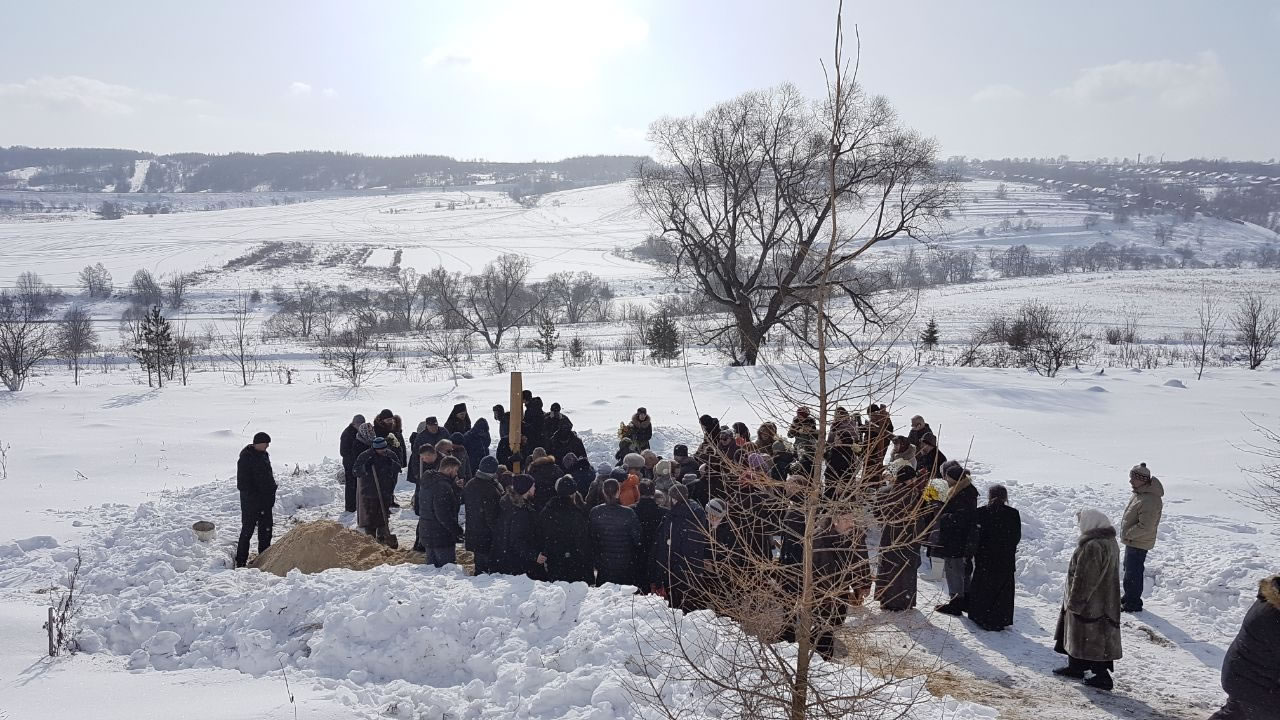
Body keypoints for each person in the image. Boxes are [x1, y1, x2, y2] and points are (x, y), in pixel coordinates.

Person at [1053, 508, 1122, 691]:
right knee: (1091, 638)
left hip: (1091, 604)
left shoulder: (1093, 546)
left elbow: (1085, 578)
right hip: (1104, 600)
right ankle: (1076, 666)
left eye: (1081, 521)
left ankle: (1101, 677)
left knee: (1092, 639)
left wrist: (1075, 603)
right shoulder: (1110, 542)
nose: (1079, 525)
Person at [1211, 575, 1280, 719]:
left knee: (1236, 713)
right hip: (1253, 684)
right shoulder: (1273, 616)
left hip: (1244, 677)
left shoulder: (1273, 598)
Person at [966, 485, 1021, 631]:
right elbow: (1016, 537)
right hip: (1006, 559)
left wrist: (972, 553)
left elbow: (975, 536)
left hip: (985, 557)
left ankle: (980, 616)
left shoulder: (981, 512)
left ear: (989, 496)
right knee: (1002, 591)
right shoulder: (1013, 513)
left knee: (983, 588)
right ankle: (999, 619)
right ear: (1005, 497)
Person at [650, 483, 708, 611]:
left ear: (673, 499)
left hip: (675, 568)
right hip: (695, 567)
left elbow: (665, 548)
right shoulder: (698, 514)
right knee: (693, 604)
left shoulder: (672, 518)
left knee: (676, 607)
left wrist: (659, 575)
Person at [876, 464, 923, 611]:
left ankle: (885, 598)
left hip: (888, 533)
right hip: (907, 535)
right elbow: (919, 518)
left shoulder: (883, 491)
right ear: (909, 479)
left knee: (888, 565)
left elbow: (877, 514)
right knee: (905, 568)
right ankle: (902, 601)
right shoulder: (912, 495)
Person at [934, 463, 978, 615]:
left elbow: (960, 518)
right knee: (963, 570)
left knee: (954, 570)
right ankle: (965, 600)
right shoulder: (967, 491)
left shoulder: (962, 494)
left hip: (956, 539)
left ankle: (956, 602)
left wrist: (944, 515)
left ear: (954, 479)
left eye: (947, 477)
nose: (945, 480)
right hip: (963, 539)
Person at [1119, 462, 1164, 613]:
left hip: (1138, 541)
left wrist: (1128, 534)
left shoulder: (1149, 499)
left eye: (1133, 478)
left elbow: (1146, 526)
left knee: (1133, 573)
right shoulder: (1140, 493)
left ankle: (1133, 603)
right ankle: (1129, 597)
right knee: (1129, 571)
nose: (1130, 481)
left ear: (1142, 480)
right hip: (1134, 540)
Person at [539, 476, 594, 583]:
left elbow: (542, 534)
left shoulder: (547, 510)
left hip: (554, 560)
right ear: (573, 494)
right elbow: (582, 541)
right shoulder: (576, 513)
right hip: (574, 563)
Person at [589, 478, 643, 586]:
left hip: (604, 562)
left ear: (603, 492)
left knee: (605, 592)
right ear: (618, 492)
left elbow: (592, 538)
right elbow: (637, 538)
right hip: (625, 562)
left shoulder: (595, 512)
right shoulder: (628, 513)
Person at [235, 432, 276, 568]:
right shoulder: (246, 459)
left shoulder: (264, 455)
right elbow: (242, 484)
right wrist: (256, 495)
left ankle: (264, 558)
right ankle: (241, 561)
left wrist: (271, 489)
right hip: (251, 503)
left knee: (266, 531)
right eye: (265, 443)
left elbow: (267, 476)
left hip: (265, 502)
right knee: (247, 530)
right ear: (258, 443)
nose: (267, 446)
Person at [353, 436, 403, 544]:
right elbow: (356, 471)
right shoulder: (366, 456)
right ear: (374, 448)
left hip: (386, 490)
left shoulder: (390, 455)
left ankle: (383, 537)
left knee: (383, 514)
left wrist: (390, 463)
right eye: (379, 449)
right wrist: (365, 467)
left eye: (384, 448)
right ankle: (370, 539)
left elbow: (399, 468)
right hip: (370, 491)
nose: (382, 451)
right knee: (370, 517)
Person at [494, 474, 545, 577]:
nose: (535, 488)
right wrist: (534, 556)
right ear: (526, 489)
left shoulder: (514, 505)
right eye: (533, 486)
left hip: (514, 561)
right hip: (521, 566)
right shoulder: (520, 512)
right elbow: (517, 540)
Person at [418, 456, 464, 567]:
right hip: (441, 536)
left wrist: (455, 489)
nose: (456, 474)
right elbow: (443, 514)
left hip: (427, 532)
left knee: (432, 568)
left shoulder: (429, 481)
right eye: (455, 471)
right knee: (446, 569)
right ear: (449, 469)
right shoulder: (443, 486)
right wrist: (457, 530)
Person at [463, 456, 503, 574]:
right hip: (486, 535)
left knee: (479, 564)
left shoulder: (471, 484)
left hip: (474, 531)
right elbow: (491, 516)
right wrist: (499, 533)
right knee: (487, 568)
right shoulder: (490, 489)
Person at [632, 481, 668, 590]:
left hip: (636, 553)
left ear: (639, 491)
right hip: (657, 553)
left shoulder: (631, 511)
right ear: (653, 492)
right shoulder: (664, 512)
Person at [339, 415, 367, 513]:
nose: (360, 426)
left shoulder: (360, 432)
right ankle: (350, 507)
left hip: (358, 463)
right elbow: (343, 451)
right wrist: (355, 455)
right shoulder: (347, 433)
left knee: (358, 484)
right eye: (358, 424)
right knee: (351, 485)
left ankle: (358, 504)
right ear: (354, 423)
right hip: (349, 463)